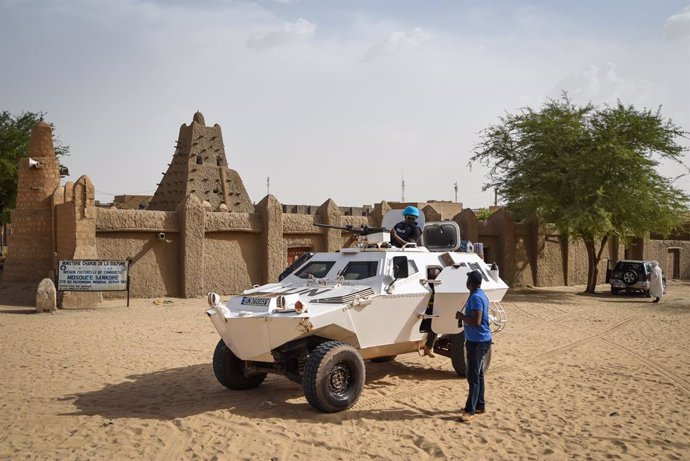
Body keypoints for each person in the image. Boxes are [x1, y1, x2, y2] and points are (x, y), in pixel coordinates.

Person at [457, 270, 492, 423]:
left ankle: (469, 410)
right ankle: (480, 405)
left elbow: (476, 321)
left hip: (477, 342)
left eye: (467, 279)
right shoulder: (480, 294)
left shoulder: (477, 297)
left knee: (473, 377)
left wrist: (462, 317)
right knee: (479, 375)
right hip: (481, 340)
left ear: (470, 282)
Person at [419, 266, 442, 357]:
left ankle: (429, 347)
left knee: (435, 326)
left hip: (432, 310)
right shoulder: (426, 286)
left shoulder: (439, 287)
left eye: (435, 276)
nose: (433, 278)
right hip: (425, 309)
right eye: (432, 276)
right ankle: (428, 347)